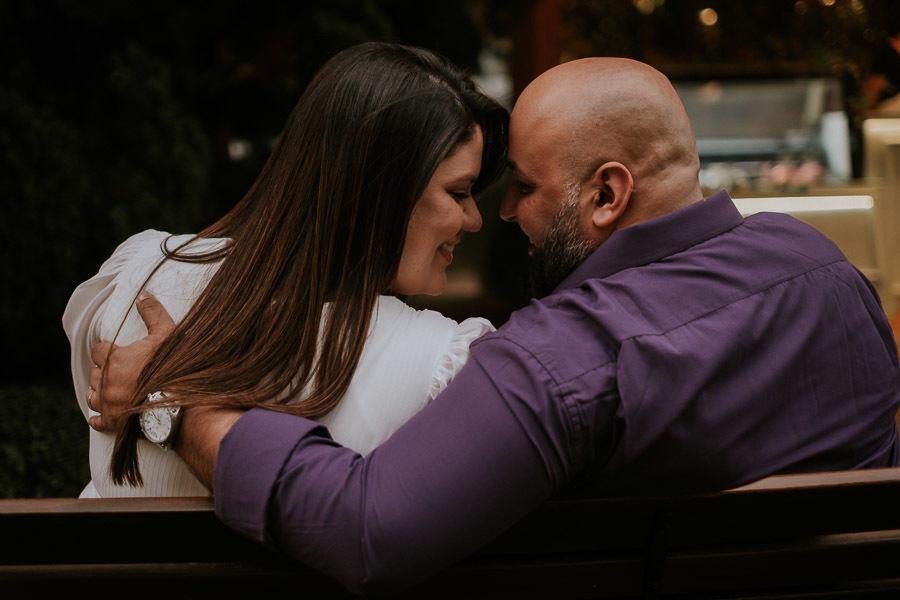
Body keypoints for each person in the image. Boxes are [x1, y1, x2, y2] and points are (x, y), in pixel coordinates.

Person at [89, 57, 900, 593]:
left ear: (607, 196)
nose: (501, 213)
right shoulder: (826, 269)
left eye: (523, 186)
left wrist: (179, 401)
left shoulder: (570, 356)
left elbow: (364, 529)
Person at [63, 42, 508, 497]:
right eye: (458, 193)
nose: (474, 219)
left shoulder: (142, 272)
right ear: (383, 192)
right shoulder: (439, 365)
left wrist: (163, 398)